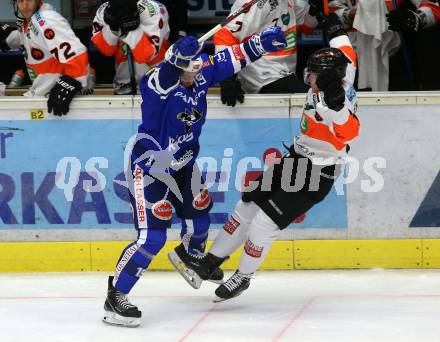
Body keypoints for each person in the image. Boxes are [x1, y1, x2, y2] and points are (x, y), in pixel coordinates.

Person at [102, 26, 287, 326]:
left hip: (185, 165)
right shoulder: (157, 81)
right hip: (151, 169)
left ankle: (190, 254)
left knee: (200, 218)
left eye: (197, 70)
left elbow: (231, 59)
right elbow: (161, 80)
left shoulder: (198, 74)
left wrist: (260, 43)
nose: (195, 78)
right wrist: (175, 63)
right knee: (152, 239)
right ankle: (116, 297)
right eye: (189, 71)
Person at [170, 13, 360, 301]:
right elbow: (344, 45)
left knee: (263, 223)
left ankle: (243, 276)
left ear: (325, 78)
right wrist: (333, 26)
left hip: (315, 173)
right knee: (247, 203)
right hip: (296, 159)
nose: (305, 76)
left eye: (310, 73)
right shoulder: (345, 66)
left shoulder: (331, 103)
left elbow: (350, 133)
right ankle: (210, 263)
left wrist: (339, 109)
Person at [213, 0, 318, 107]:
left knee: (318, 96)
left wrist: (315, 9)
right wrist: (226, 76)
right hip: (261, 79)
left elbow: (305, 25)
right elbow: (225, 36)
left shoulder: (289, 1)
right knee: (316, 102)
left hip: (284, 74)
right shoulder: (254, 3)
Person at [0, 0, 89, 115]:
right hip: (41, 95)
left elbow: (77, 52)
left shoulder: (47, 19)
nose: (25, 5)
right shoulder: (26, 18)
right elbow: (29, 38)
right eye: (21, 0)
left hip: (55, 100)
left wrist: (71, 83)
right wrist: (7, 39)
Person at [91, 0, 170, 95]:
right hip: (123, 87)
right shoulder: (105, 9)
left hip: (157, 87)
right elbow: (107, 50)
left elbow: (147, 54)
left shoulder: (155, 9)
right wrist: (113, 28)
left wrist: (131, 29)